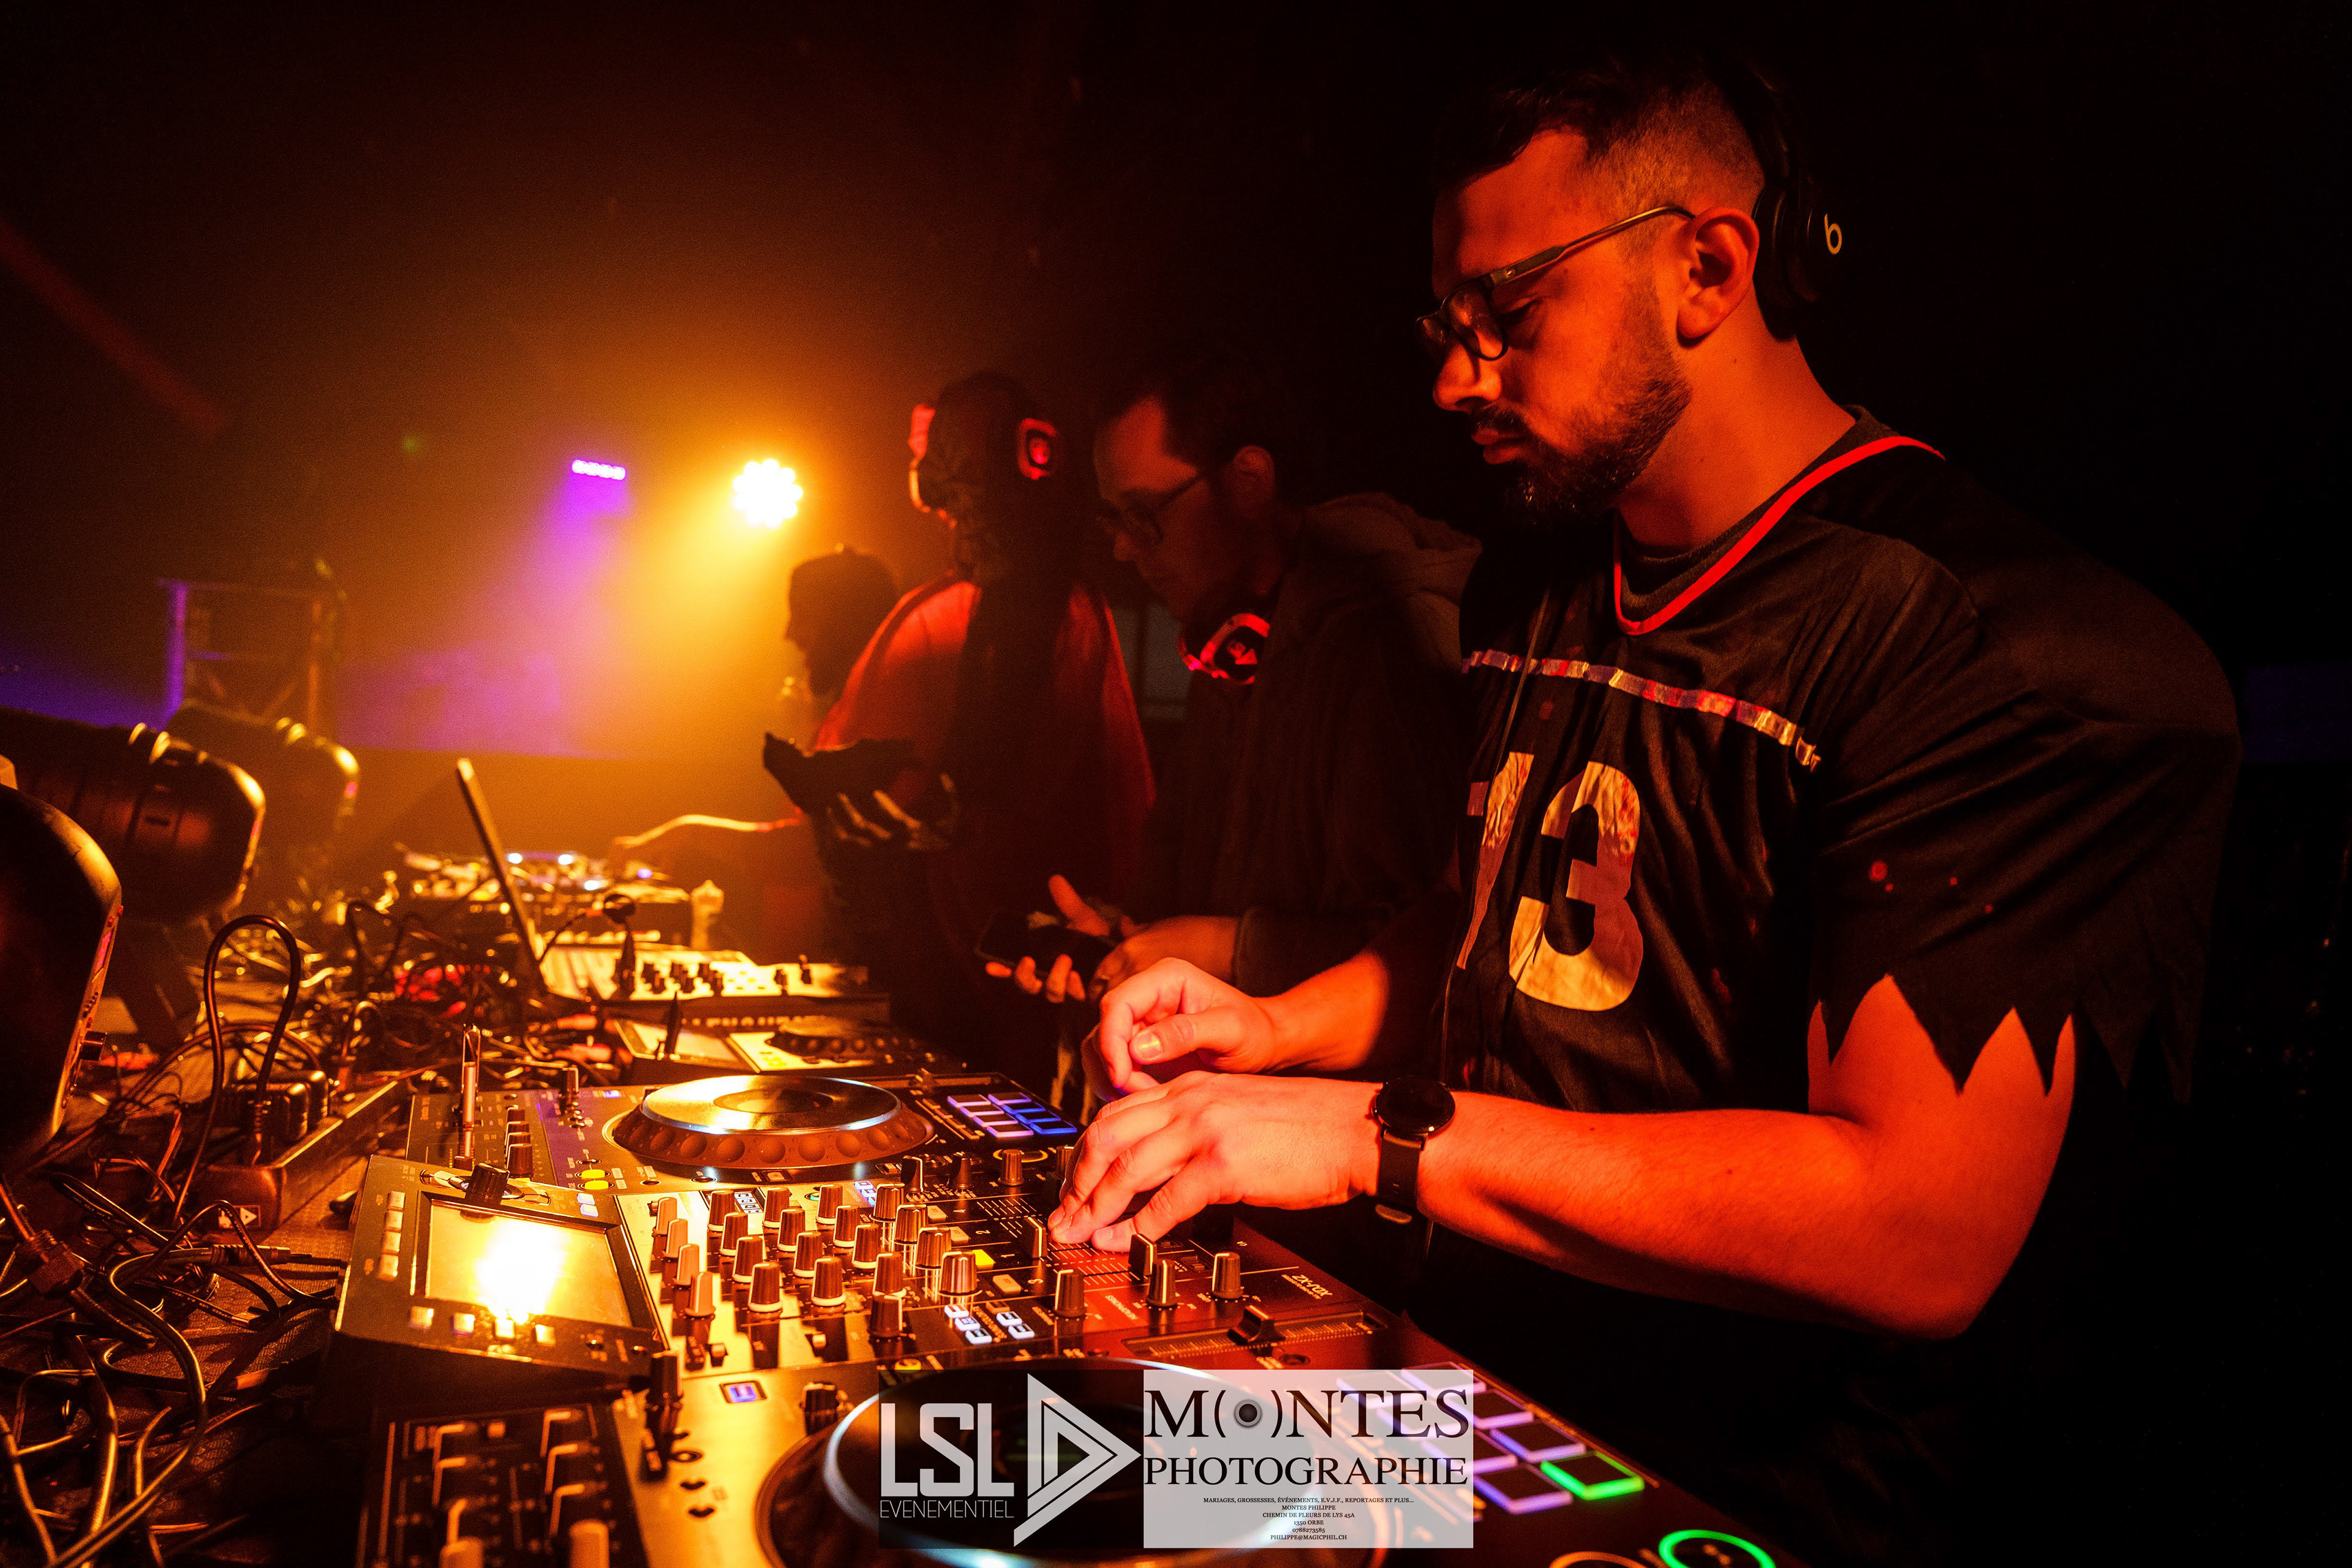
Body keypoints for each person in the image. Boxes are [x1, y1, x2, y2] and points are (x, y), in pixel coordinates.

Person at [1046, 36, 2236, 1568]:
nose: (1455, 375)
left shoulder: (1984, 637)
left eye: (1508, 310)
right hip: (1470, 1411)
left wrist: (1372, 1134)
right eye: (1446, 322)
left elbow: (1915, 1228)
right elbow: (1493, 919)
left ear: (1708, 266)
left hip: (1732, 1493)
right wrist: (1274, 1028)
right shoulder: (1541, 574)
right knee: (974, 1471)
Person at [997, 342, 1478, 1006]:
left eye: (1144, 515)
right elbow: (1181, 909)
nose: (1124, 548)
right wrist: (1123, 940)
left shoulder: (1387, 646)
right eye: (1114, 520)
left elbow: (1432, 957)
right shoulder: (1226, 655)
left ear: (1248, 482)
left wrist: (1224, 950)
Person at [793, 372, 1153, 1089]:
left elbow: (1017, 796)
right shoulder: (1025, 609)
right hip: (1001, 948)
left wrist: (930, 816)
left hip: (1012, 958)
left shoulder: (1028, 615)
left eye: (962, 488)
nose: (953, 517)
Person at [605, 546, 900, 955]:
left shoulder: (885, 714)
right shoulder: (844, 714)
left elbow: (803, 854)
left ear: (845, 621)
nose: (789, 633)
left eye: (804, 615)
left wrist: (689, 832)